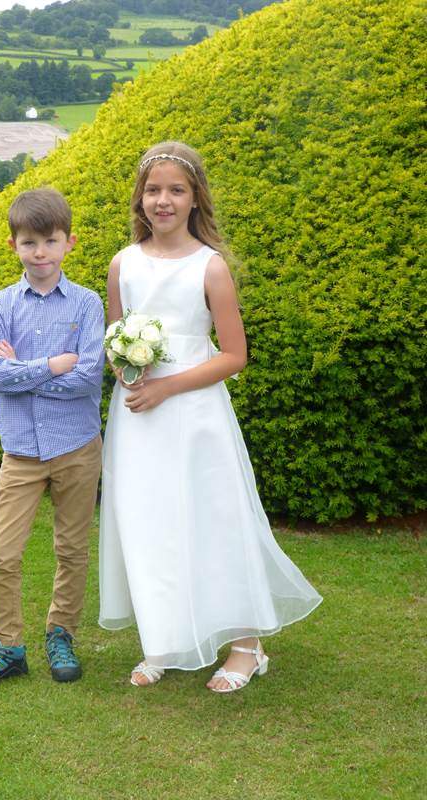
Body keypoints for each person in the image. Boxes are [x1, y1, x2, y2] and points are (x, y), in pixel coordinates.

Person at [99, 142, 322, 692]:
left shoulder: (210, 267)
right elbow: (115, 337)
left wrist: (166, 386)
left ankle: (247, 646)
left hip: (194, 414)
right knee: (149, 520)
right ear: (140, 198)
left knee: (214, 519)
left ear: (195, 198)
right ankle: (166, 638)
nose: (164, 200)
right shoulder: (123, 264)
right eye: (153, 190)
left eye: (176, 190)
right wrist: (127, 369)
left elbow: (233, 356)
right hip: (138, 418)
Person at [0, 188, 105, 691]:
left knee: (72, 547)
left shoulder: (87, 304)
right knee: (3, 552)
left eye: (50, 241)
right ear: (13, 245)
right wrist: (50, 364)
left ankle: (61, 634)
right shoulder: (2, 305)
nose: (40, 252)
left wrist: (23, 369)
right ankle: (7, 648)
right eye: (29, 243)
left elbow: (87, 377)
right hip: (20, 451)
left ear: (69, 243)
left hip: (76, 447)